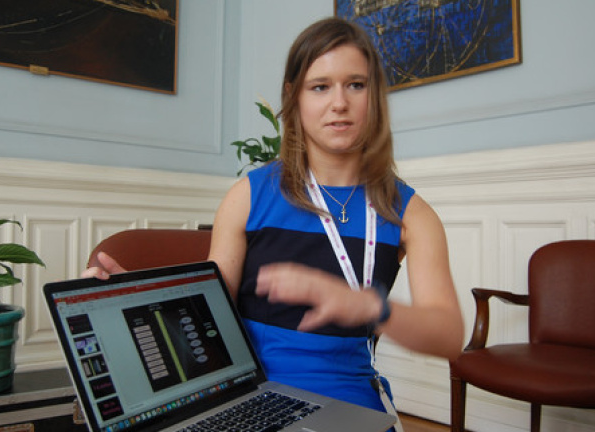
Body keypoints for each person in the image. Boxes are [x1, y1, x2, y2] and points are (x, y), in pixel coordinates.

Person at [85, 16, 463, 422]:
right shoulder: (247, 196)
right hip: (245, 398)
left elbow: (448, 336)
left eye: (356, 84)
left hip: (350, 403)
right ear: (294, 97)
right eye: (320, 87)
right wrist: (137, 303)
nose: (339, 103)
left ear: (376, 96)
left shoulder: (411, 213)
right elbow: (209, 312)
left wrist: (371, 308)